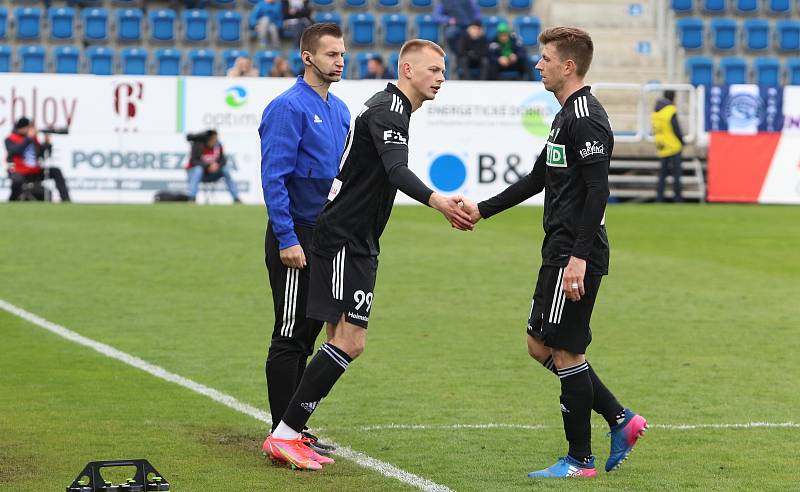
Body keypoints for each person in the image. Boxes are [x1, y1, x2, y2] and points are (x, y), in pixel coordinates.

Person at [262, 39, 474, 471]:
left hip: (355, 239)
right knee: (340, 339)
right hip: (342, 239)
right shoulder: (388, 110)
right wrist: (438, 201)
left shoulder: (382, 109)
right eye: (433, 70)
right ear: (407, 69)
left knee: (338, 340)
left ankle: (290, 431)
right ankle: (285, 433)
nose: (441, 78)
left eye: (443, 70)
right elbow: (396, 170)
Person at [461, 27, 647, 479]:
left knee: (562, 351)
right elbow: (536, 178)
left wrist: (578, 258)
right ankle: (621, 419)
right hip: (559, 249)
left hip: (574, 252)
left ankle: (580, 459)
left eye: (545, 58)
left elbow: (598, 192)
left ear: (568, 65)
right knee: (539, 344)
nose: (537, 64)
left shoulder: (587, 118)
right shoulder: (564, 117)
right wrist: (481, 210)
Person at [258, 23, 350, 463]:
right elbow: (273, 178)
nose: (340, 61)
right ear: (307, 57)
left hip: (328, 238)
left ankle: (294, 428)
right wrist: (286, 237)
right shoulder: (287, 107)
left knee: (311, 333)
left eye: (342, 54)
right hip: (297, 234)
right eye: (331, 54)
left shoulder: (341, 109)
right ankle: (283, 436)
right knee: (291, 335)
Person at [5, 117, 70, 202]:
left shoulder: (33, 139)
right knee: (17, 181)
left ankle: (66, 200)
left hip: (35, 171)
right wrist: (28, 138)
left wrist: (47, 145)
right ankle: (12, 201)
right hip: (19, 171)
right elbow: (15, 151)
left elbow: (41, 156)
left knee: (56, 171)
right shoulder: (10, 139)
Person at [186, 130, 240, 203]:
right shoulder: (198, 145)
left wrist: (217, 165)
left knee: (225, 170)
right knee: (198, 170)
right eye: (213, 138)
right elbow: (194, 161)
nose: (215, 140)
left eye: (216, 138)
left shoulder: (218, 145)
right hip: (199, 174)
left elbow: (223, 160)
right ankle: (192, 198)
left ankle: (236, 198)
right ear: (208, 139)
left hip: (213, 174)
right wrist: (208, 166)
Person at [651, 90, 684, 203]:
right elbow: (676, 128)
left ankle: (659, 198)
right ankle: (678, 199)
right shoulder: (670, 110)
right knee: (676, 175)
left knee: (662, 175)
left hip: (661, 146)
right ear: (673, 97)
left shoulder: (656, 112)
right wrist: (682, 141)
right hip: (673, 146)